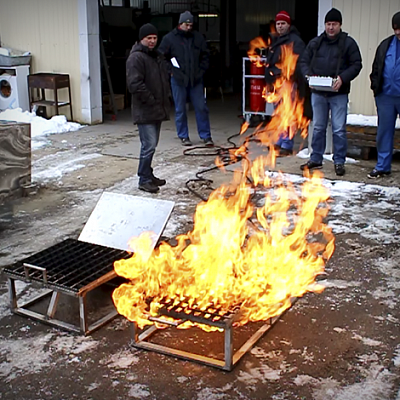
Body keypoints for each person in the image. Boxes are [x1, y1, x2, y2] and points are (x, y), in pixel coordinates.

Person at [299, 8, 362, 176]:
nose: (331, 28)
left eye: (334, 24)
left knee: (338, 129)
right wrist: (309, 78)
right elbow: (303, 61)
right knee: (318, 127)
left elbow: (357, 64)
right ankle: (316, 158)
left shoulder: (348, 43)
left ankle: (339, 161)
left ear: (340, 25)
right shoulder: (316, 43)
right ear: (324, 25)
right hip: (318, 93)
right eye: (328, 24)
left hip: (338, 94)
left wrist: (342, 78)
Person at [126, 23, 171, 193]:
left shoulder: (156, 56)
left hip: (156, 109)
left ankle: (148, 174)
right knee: (148, 145)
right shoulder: (136, 58)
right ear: (141, 39)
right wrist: (151, 100)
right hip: (145, 110)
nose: (152, 41)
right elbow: (135, 84)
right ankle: (143, 179)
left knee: (152, 145)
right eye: (148, 38)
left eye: (154, 38)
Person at [158, 11, 213, 147]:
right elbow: (161, 57)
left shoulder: (198, 38)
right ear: (180, 24)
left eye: (190, 25)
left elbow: (206, 56)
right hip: (178, 79)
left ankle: (206, 136)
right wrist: (171, 71)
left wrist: (201, 71)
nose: (189, 27)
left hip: (196, 79)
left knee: (201, 107)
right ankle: (183, 136)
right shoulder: (169, 39)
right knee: (180, 108)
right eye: (186, 25)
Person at [264, 10, 308, 156]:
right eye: (278, 24)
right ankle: (279, 141)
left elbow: (298, 63)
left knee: (288, 113)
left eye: (283, 23)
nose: (280, 26)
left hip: (288, 83)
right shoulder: (274, 41)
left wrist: (287, 76)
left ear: (288, 25)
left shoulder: (295, 41)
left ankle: (287, 144)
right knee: (278, 113)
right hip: (275, 83)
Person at [368, 11, 400, 179]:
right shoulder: (385, 45)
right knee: (384, 132)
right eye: (395, 28)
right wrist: (375, 87)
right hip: (385, 96)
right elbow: (376, 68)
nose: (398, 32)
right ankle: (382, 166)